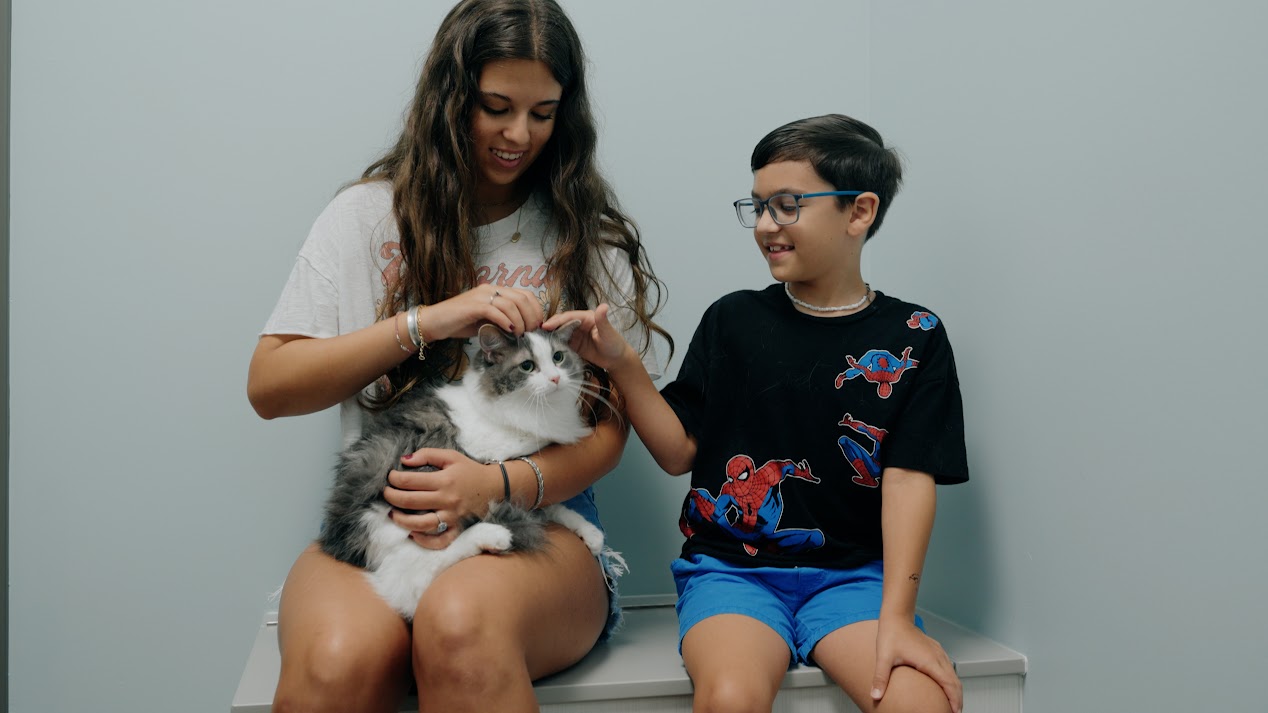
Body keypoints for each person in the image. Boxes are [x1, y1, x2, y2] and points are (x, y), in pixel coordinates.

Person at [247, 1, 669, 711]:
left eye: (543, 113)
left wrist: (494, 484)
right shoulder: (365, 218)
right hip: (385, 518)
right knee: (333, 662)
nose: (518, 134)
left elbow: (610, 433)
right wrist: (426, 321)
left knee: (460, 623)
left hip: (539, 513)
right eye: (496, 106)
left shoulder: (581, 237)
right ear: (450, 98)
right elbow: (270, 387)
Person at [545, 114, 969, 713]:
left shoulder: (916, 334)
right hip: (732, 577)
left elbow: (907, 479)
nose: (767, 225)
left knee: (921, 704)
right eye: (758, 206)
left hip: (855, 584)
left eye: (788, 205)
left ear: (859, 211)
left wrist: (897, 618)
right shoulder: (733, 320)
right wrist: (621, 361)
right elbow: (677, 452)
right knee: (731, 698)